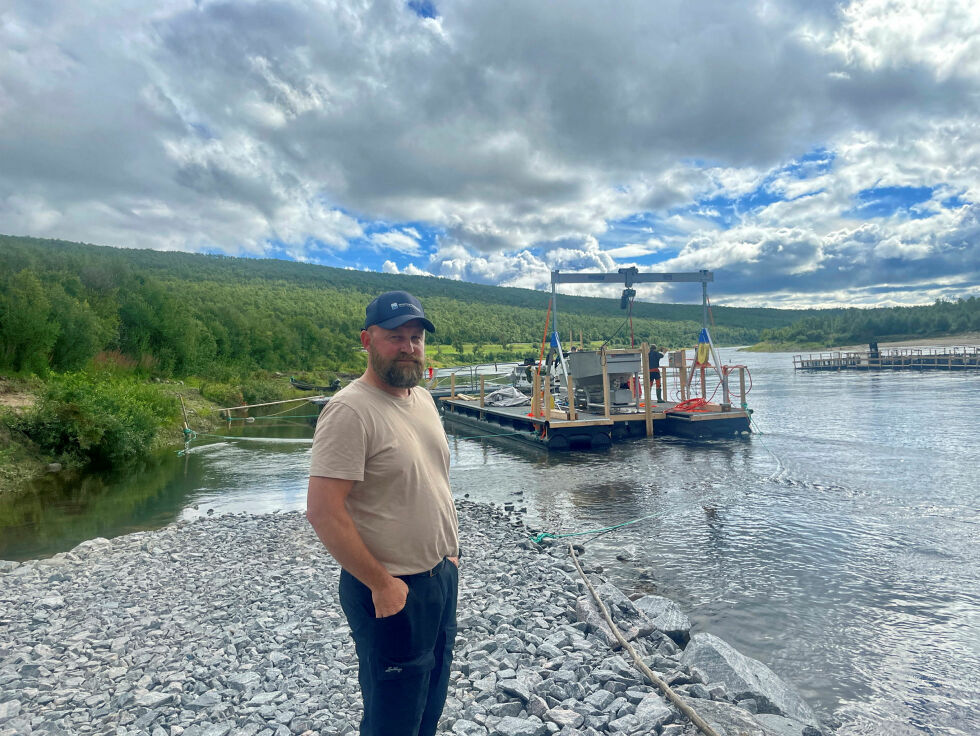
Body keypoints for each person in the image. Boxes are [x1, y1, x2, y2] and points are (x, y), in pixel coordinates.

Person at [307, 290, 459, 736]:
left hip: (439, 579)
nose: (409, 347)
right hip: (390, 588)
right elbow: (323, 511)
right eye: (395, 337)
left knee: (428, 705)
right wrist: (383, 584)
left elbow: (432, 482)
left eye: (416, 337)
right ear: (367, 340)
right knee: (392, 719)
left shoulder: (423, 400)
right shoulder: (350, 410)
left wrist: (450, 555)